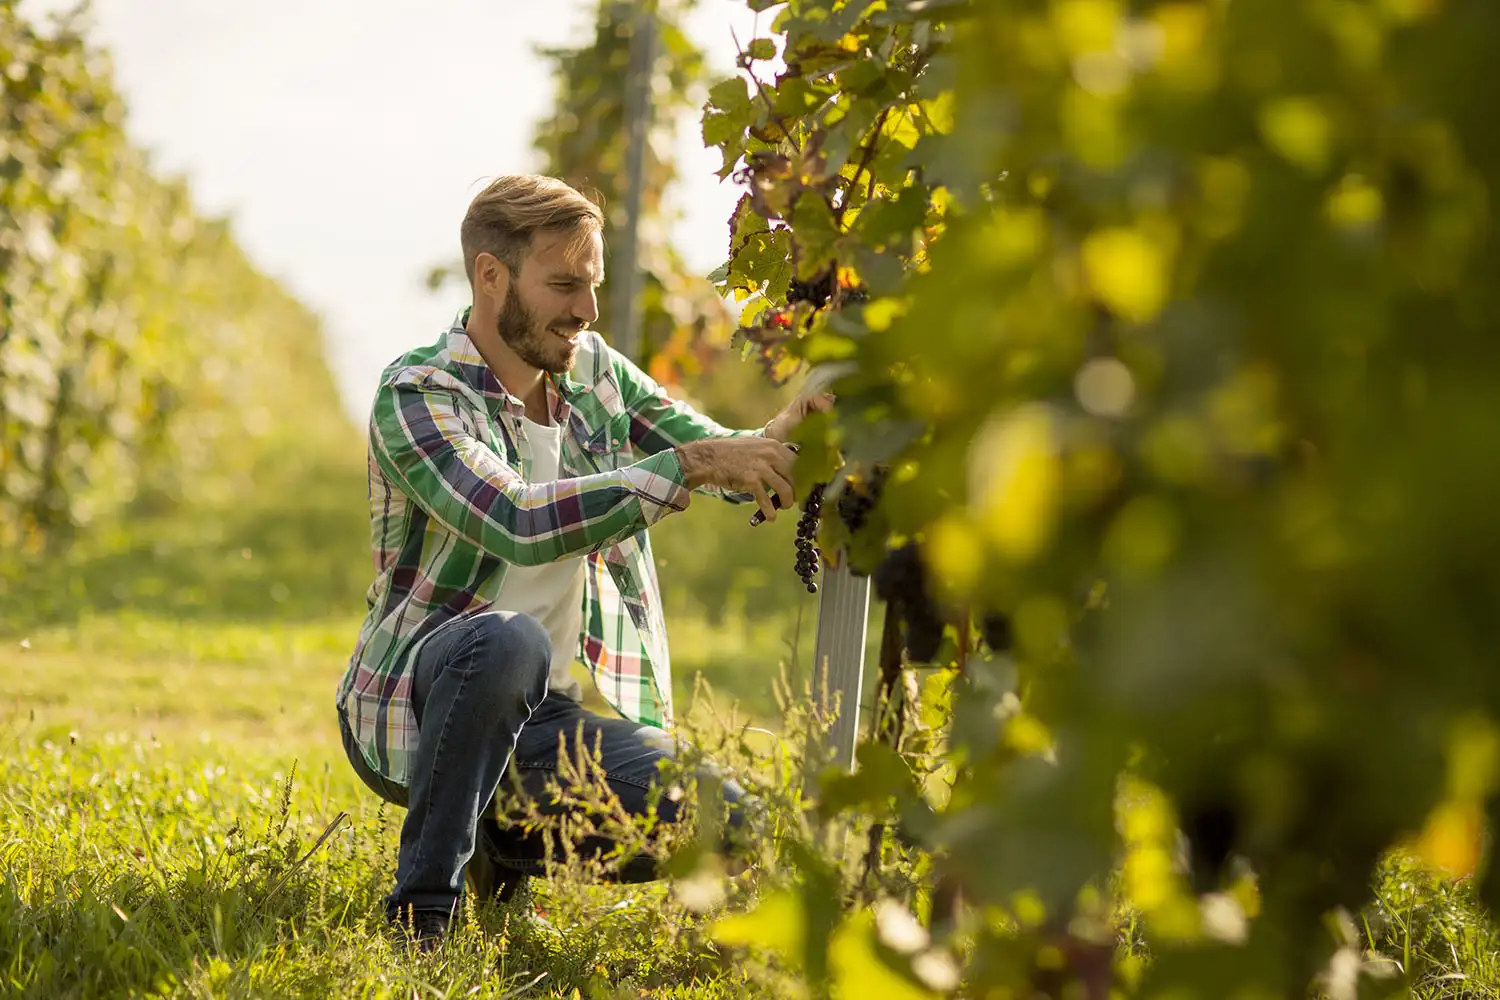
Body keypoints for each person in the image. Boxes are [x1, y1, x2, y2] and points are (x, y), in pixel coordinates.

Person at [333, 174, 831, 948]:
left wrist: (779, 438)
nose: (587, 311)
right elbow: (517, 519)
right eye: (564, 284)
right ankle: (424, 911)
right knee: (505, 641)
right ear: (490, 277)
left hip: (545, 719)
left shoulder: (592, 370)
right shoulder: (419, 393)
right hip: (422, 704)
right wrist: (695, 465)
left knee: (731, 821)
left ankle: (502, 846)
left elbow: (708, 455)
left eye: (592, 285)